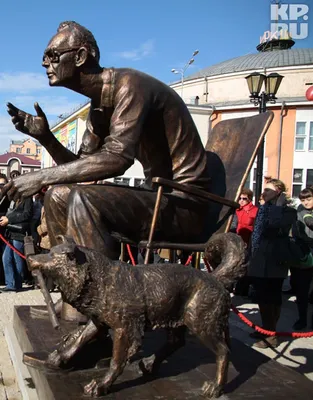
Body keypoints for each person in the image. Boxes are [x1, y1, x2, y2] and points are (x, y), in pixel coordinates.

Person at [4, 21, 211, 263]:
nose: (44, 63)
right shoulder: (99, 107)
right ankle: (73, 292)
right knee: (57, 195)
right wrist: (46, 138)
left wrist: (40, 176)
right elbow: (82, 168)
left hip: (184, 205)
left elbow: (117, 158)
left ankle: (100, 292)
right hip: (159, 199)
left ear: (80, 56)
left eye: (52, 55)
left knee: (83, 198)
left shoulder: (130, 86)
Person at [248, 179, 296, 348]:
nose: (263, 193)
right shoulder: (263, 209)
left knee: (272, 298)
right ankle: (265, 329)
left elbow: (275, 227)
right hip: (260, 258)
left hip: (275, 261)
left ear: (278, 192)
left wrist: (277, 206)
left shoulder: (289, 212)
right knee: (261, 297)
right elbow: (257, 234)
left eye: (267, 190)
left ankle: (271, 335)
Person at [0, 197, 33, 292]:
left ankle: (18, 283)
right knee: (6, 258)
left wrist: (9, 219)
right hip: (10, 233)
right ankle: (10, 284)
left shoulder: (27, 199)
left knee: (17, 259)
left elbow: (26, 215)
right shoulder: (13, 200)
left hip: (19, 233)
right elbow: (10, 212)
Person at [291, 187, 313, 330]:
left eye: (309, 199)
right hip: (305, 255)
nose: (306, 202)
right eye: (303, 200)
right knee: (302, 291)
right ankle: (302, 319)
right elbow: (309, 222)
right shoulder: (301, 211)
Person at [232, 188, 258, 296]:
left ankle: (242, 288)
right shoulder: (235, 210)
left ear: (249, 199)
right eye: (240, 198)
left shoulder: (254, 210)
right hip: (235, 240)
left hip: (248, 240)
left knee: (245, 265)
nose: (241, 201)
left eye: (244, 198)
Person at [0, 174, 10, 284]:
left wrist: (8, 218)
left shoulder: (8, 198)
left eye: (3, 184)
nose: (1, 187)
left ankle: (3, 279)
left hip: (6, 230)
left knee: (5, 255)